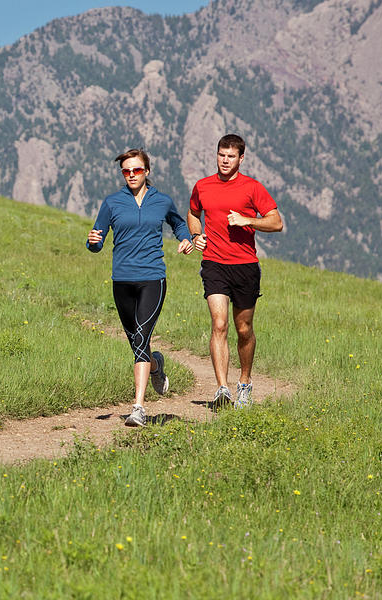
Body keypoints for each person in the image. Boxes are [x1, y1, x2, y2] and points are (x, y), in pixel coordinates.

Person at [87, 149, 194, 427]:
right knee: (137, 343)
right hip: (121, 281)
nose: (131, 175)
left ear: (147, 171)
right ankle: (156, 365)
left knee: (141, 337)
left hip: (152, 279)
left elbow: (178, 224)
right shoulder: (112, 203)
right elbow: (96, 241)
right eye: (126, 171)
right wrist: (93, 241)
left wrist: (185, 240)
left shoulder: (162, 201)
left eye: (136, 170)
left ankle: (138, 408)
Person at [187, 134, 283, 408]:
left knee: (244, 329)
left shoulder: (252, 188)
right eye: (221, 155)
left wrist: (247, 220)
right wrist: (196, 235)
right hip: (214, 264)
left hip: (245, 267)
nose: (225, 160)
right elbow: (194, 213)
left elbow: (276, 223)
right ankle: (222, 388)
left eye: (231, 156)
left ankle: (244, 383)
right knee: (219, 324)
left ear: (241, 158)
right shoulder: (202, 186)